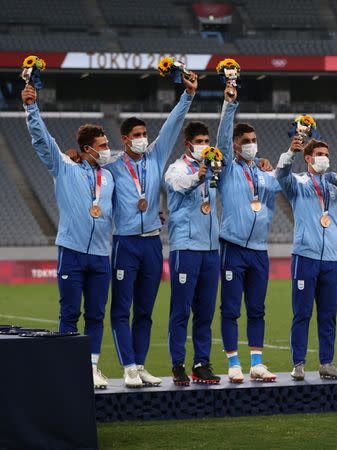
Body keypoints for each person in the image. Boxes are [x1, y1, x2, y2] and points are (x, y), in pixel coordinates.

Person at [106, 70, 197, 388]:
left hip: (152, 243)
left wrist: (187, 96)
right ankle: (128, 366)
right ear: (125, 139)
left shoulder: (156, 156)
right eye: (137, 134)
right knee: (121, 308)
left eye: (145, 132)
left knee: (145, 310)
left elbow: (172, 126)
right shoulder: (113, 165)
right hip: (125, 243)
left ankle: (141, 364)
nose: (143, 138)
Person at [23, 84, 115, 389]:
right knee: (69, 313)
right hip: (72, 251)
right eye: (102, 145)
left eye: (106, 144)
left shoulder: (109, 177)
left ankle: (91, 368)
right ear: (87, 148)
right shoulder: (64, 167)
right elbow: (42, 141)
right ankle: (66, 369)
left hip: (102, 254)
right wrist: (31, 109)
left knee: (96, 315)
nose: (106, 149)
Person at [216, 85, 282, 383]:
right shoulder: (228, 168)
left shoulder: (264, 172)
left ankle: (257, 362)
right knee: (231, 308)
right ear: (235, 144)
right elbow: (221, 140)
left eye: (254, 141)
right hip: (233, 247)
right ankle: (233, 362)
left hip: (259, 250)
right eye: (246, 141)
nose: (251, 145)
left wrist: (290, 154)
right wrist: (229, 105)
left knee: (257, 309)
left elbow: (283, 182)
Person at [276, 137, 337, 381]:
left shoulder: (333, 188)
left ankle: (326, 362)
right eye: (319, 154)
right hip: (305, 257)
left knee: (328, 314)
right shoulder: (298, 183)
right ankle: (298, 364)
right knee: (302, 313)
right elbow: (281, 175)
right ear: (308, 158)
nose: (324, 158)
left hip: (331, 260)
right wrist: (290, 152)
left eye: (327, 154)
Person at [164, 121, 221, 385]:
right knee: (181, 310)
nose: (205, 145)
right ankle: (177, 364)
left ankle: (201, 363)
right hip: (185, 248)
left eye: (207, 140)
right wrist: (198, 176)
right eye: (200, 141)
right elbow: (178, 184)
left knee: (206, 312)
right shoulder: (176, 168)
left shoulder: (213, 168)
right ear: (189, 144)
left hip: (210, 248)